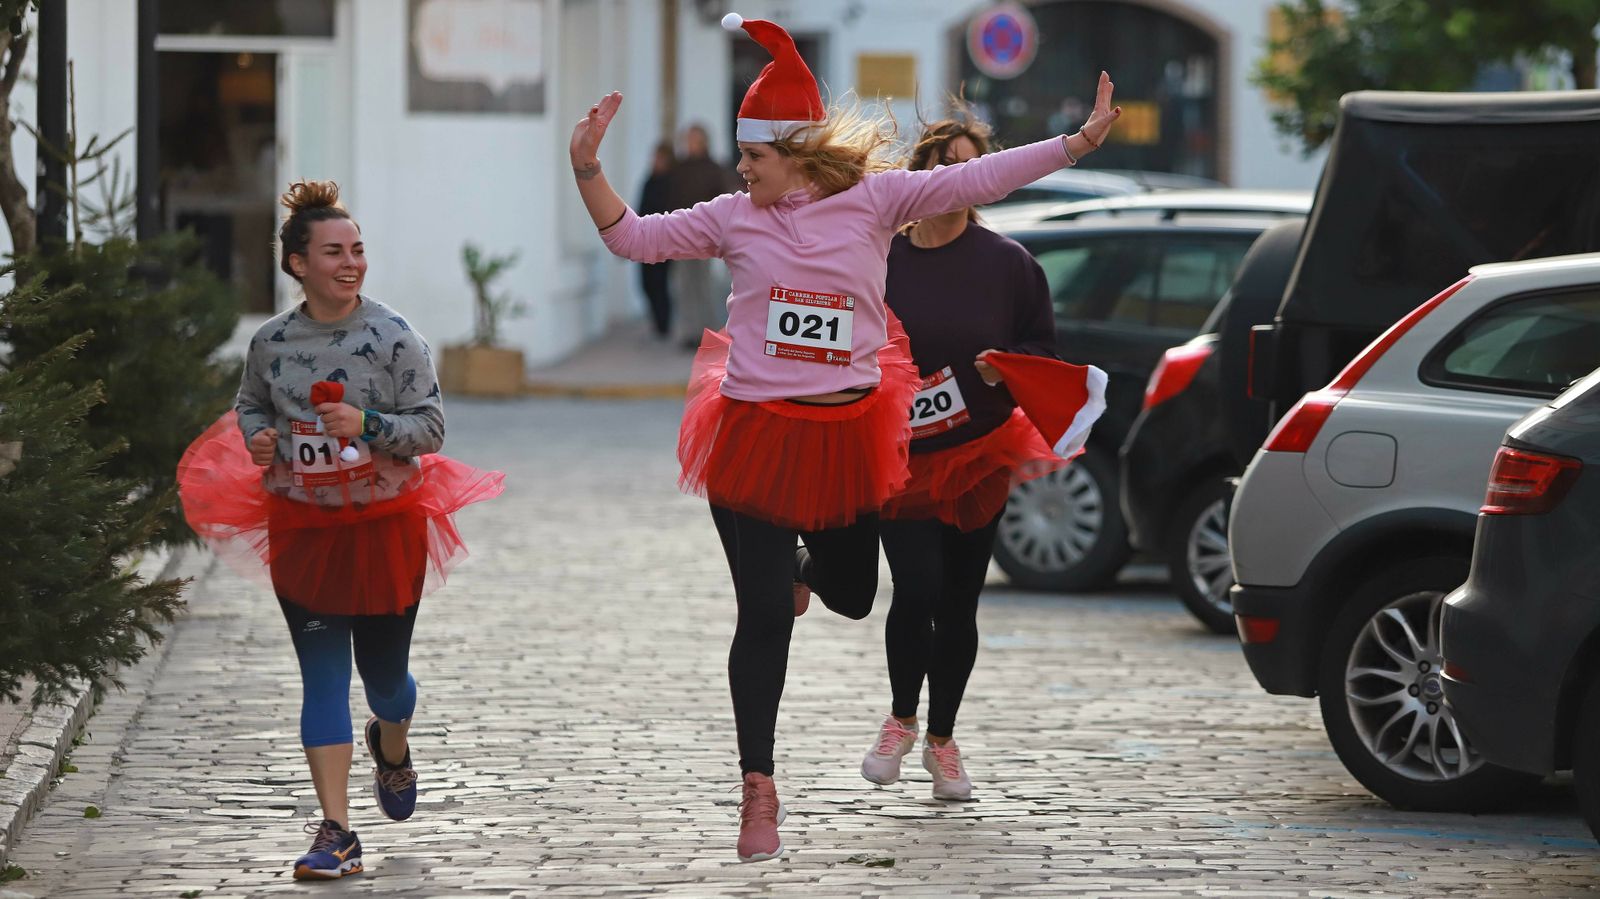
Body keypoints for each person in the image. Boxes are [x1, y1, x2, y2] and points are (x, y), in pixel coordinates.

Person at [568, 13, 1118, 862]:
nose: (739, 168)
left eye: (753, 156)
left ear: (795, 151)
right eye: (742, 158)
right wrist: (588, 169)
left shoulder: (878, 200)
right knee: (762, 623)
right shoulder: (731, 216)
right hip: (753, 432)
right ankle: (759, 786)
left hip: (848, 433)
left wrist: (1075, 143)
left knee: (857, 593)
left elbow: (989, 179)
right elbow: (632, 237)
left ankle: (800, 569)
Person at [176, 180, 503, 881]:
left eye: (357, 250)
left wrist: (371, 426)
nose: (351, 262)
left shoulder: (394, 336)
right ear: (298, 263)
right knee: (321, 679)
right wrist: (261, 440)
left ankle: (392, 742)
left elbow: (433, 427)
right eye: (334, 252)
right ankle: (337, 832)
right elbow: (251, 405)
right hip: (304, 526)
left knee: (384, 680)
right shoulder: (271, 342)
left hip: (383, 527)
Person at [860, 111, 1067, 803]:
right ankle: (900, 718)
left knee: (959, 599)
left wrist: (1005, 368)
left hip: (979, 449)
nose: (959, 176)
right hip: (900, 454)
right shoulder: (880, 253)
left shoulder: (1007, 264)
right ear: (921, 169)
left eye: (973, 165)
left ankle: (942, 741)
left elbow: (1042, 348)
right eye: (947, 161)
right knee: (913, 587)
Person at [668, 122, 739, 346]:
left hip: (705, 236)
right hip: (681, 235)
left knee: (704, 284)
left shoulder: (714, 169)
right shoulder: (678, 169)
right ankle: (688, 331)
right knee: (684, 284)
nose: (691, 144)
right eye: (688, 140)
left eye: (695, 139)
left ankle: (707, 331)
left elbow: (722, 201)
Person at [638, 140, 677, 337]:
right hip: (645, 240)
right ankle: (657, 320)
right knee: (646, 283)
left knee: (660, 283)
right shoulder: (649, 180)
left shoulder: (672, 182)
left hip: (664, 241)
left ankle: (664, 324)